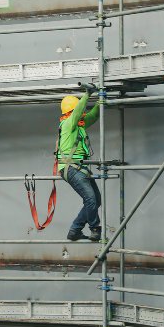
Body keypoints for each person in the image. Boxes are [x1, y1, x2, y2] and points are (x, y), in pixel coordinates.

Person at [57, 86, 101, 242]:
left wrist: (101, 101)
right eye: (79, 110)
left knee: (96, 199)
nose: (83, 113)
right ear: (73, 111)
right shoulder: (69, 123)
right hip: (71, 168)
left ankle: (75, 230)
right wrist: (88, 94)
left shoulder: (78, 125)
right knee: (91, 199)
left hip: (79, 168)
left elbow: (93, 116)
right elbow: (78, 112)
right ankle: (95, 229)